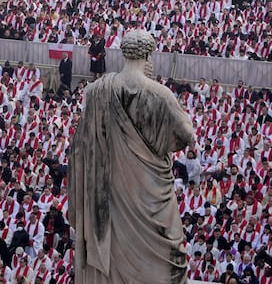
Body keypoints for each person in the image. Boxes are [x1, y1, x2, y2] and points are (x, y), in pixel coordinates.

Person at [71, 29, 195, 284]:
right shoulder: (160, 94)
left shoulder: (96, 91)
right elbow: (186, 135)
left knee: (116, 250)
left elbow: (81, 148)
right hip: (150, 193)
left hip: (110, 188)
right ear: (148, 56)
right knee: (167, 260)